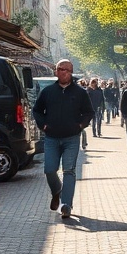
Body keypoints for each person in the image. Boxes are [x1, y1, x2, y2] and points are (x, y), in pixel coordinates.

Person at [32, 59, 94, 219]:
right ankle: (56, 191)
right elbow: (37, 111)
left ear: (71, 72)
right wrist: (43, 125)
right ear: (56, 72)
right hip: (52, 138)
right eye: (60, 69)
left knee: (69, 171)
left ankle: (66, 205)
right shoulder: (48, 92)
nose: (63, 72)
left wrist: (80, 125)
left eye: (66, 69)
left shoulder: (80, 92)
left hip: (71, 138)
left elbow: (89, 112)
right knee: (49, 170)